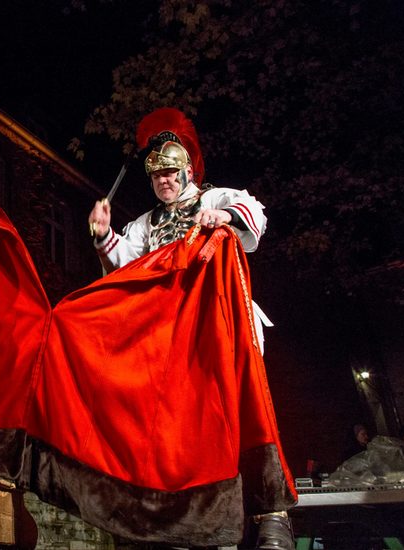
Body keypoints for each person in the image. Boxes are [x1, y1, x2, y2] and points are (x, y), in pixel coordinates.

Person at [87, 107, 294, 550]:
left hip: (220, 324)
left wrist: (225, 218)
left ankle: (270, 512)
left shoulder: (213, 198)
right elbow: (126, 265)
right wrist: (104, 235)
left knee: (240, 406)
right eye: (156, 175)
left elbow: (253, 212)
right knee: (175, 427)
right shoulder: (146, 223)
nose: (163, 180)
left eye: (170, 172)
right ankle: (182, 518)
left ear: (187, 171)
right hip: (170, 336)